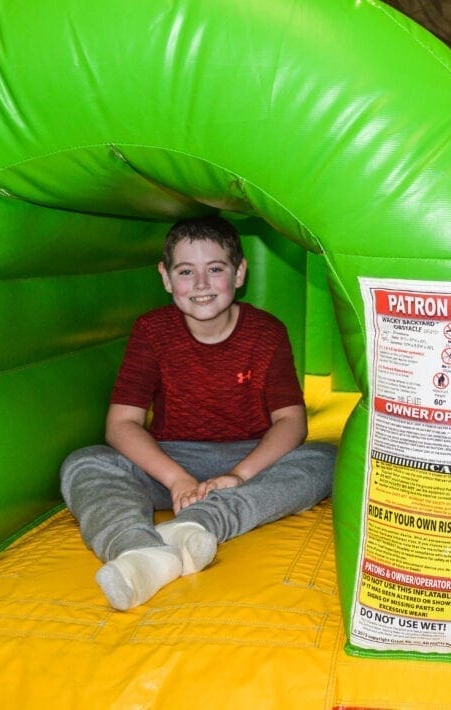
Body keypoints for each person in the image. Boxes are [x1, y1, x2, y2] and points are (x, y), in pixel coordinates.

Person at [60, 215, 336, 611]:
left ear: (239, 273)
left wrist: (239, 475)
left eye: (216, 269)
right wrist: (176, 480)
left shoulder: (265, 332)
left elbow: (291, 422)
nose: (202, 285)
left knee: (325, 459)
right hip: (171, 461)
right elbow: (122, 425)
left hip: (248, 463)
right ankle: (138, 551)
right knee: (85, 463)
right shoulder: (152, 331)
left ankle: (200, 524)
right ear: (166, 277)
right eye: (186, 271)